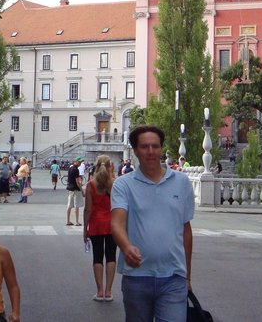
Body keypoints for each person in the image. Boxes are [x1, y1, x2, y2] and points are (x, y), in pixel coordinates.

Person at [111, 125, 195, 321]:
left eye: (155, 146)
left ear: (161, 148)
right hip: (137, 277)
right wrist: (126, 246)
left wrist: (187, 276)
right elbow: (116, 223)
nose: (151, 152)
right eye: (144, 147)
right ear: (136, 151)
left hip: (173, 277)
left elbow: (186, 230)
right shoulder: (124, 184)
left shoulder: (181, 182)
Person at [83, 155, 117, 302]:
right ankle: (109, 291)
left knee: (97, 257)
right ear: (111, 166)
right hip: (112, 224)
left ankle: (99, 291)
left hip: (96, 224)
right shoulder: (115, 184)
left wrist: (85, 228)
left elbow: (88, 209)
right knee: (111, 256)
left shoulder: (91, 185)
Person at [66, 157, 84, 225]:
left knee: (69, 205)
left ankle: (68, 220)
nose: (80, 163)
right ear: (75, 162)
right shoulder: (76, 170)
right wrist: (81, 189)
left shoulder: (70, 168)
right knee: (77, 205)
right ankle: (77, 221)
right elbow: (77, 181)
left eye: (80, 162)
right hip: (75, 189)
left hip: (70, 189)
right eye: (79, 162)